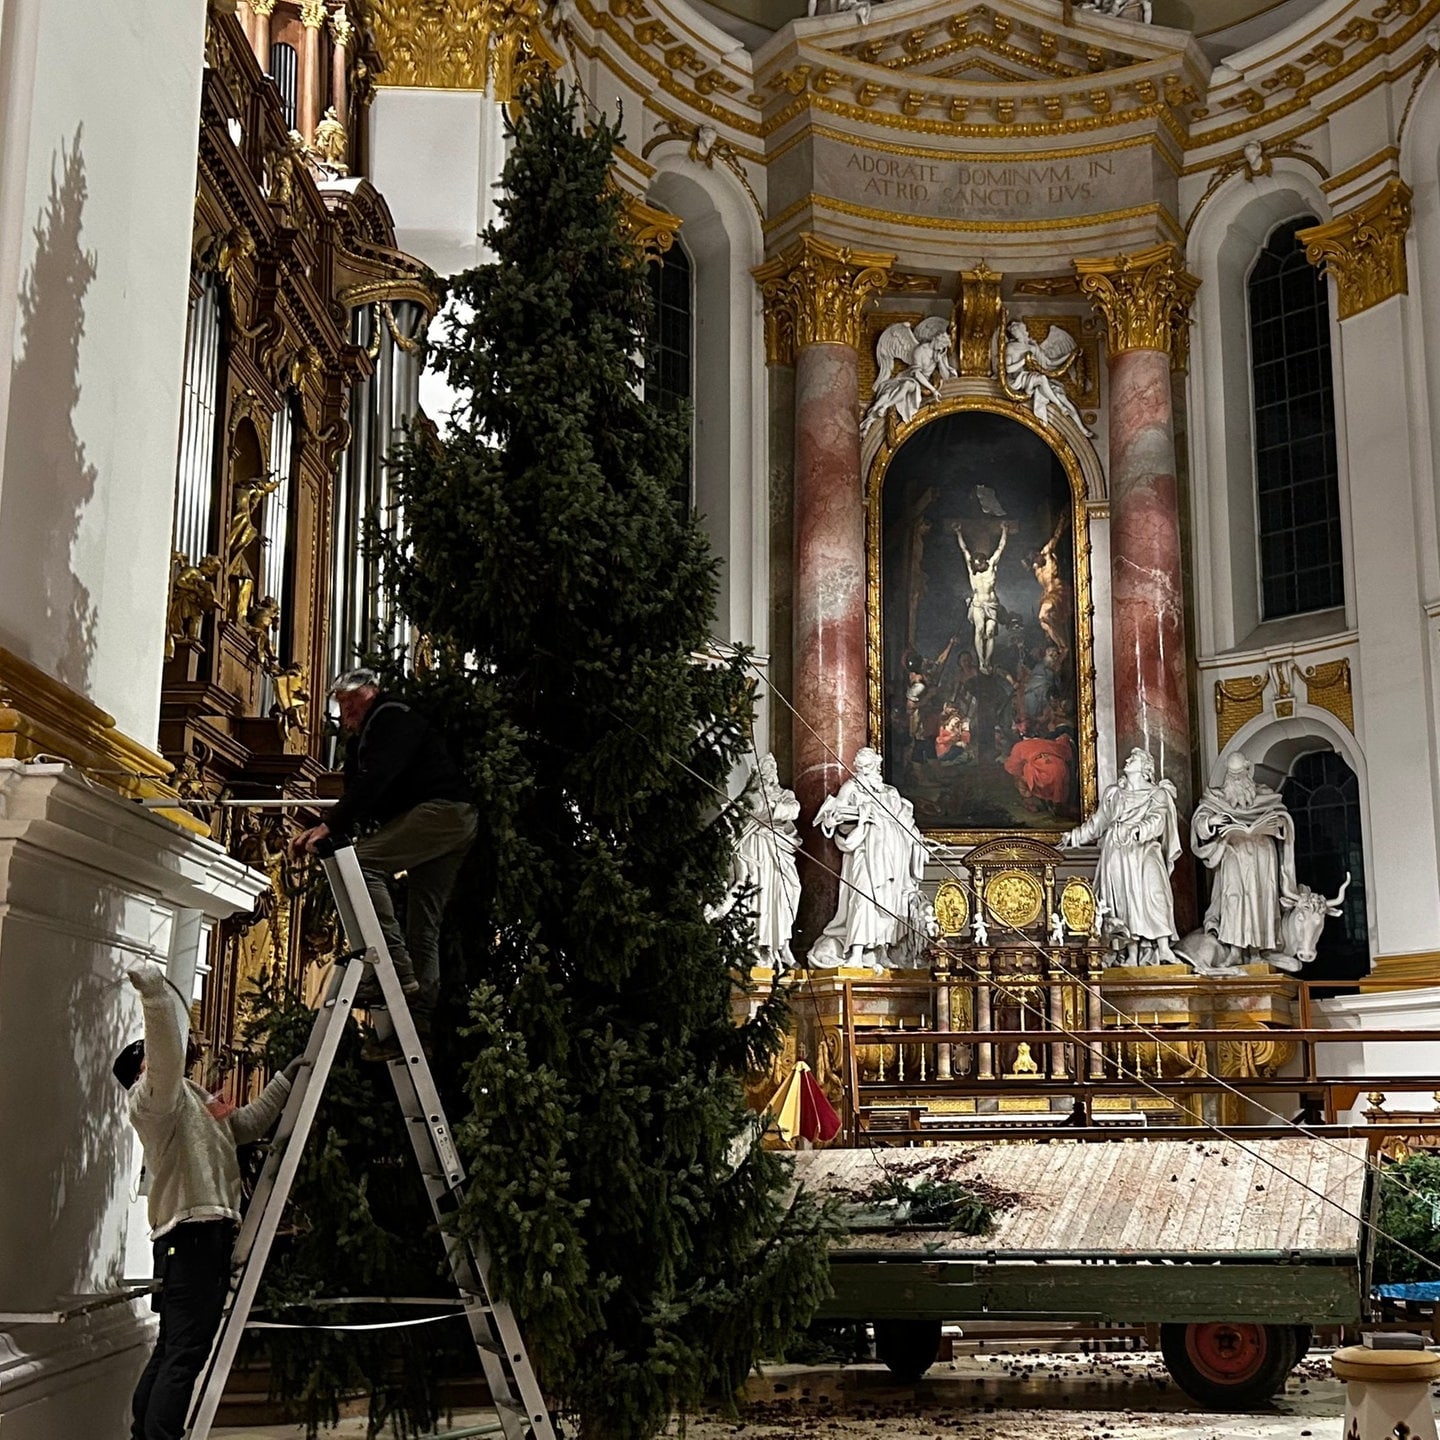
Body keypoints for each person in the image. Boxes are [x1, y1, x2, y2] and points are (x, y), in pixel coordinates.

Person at [115, 961, 298, 1440]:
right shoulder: (152, 1103)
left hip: (200, 1240)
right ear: (142, 1071)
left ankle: (144, 1435)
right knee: (184, 1354)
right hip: (190, 1238)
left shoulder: (193, 1100)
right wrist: (155, 997)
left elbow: (242, 1126)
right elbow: (167, 1060)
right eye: (151, 1060)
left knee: (173, 1349)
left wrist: (283, 1081)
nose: (165, 1061)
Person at [292, 668, 477, 1058]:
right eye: (340, 706)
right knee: (422, 922)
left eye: (350, 703)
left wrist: (331, 825)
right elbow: (367, 790)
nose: (345, 714)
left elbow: (377, 779)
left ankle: (394, 970)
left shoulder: (391, 716)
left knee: (359, 865)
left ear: (372, 692)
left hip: (440, 813)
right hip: (453, 819)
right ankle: (418, 1026)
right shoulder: (370, 733)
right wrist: (331, 826)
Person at [808, 747, 930, 973]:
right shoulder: (852, 788)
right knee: (862, 899)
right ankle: (856, 952)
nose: (863, 771)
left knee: (888, 904)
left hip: (893, 854)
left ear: (877, 765)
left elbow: (906, 822)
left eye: (867, 766)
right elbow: (835, 817)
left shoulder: (890, 793)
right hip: (865, 852)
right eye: (860, 767)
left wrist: (916, 841)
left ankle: (882, 951)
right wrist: (848, 817)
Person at [1060, 747, 1181, 965]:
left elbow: (1158, 819)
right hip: (1116, 851)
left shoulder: (1157, 793)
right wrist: (1075, 836)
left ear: (1145, 767)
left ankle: (1163, 946)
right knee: (1123, 902)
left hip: (1144, 851)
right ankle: (1131, 953)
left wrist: (1140, 829)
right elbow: (1098, 823)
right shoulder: (1114, 793)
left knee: (1156, 895)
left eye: (1133, 758)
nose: (1127, 759)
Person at [1190, 752, 1297, 964]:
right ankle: (1235, 951)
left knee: (1260, 899)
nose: (1236, 780)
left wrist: (1278, 824)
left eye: (1240, 775)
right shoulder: (1217, 797)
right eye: (1233, 775)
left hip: (1261, 854)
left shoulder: (1265, 795)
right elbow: (1199, 822)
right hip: (1233, 852)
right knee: (1234, 898)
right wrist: (1212, 820)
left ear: (1248, 771)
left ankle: (1257, 951)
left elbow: (1283, 820)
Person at [956, 522, 1009, 674]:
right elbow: (964, 549)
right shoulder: (972, 569)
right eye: (977, 564)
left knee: (990, 632)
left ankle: (987, 661)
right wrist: (959, 533)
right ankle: (981, 662)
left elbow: (1000, 548)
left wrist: (1004, 531)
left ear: (984, 562)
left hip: (992, 604)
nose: (979, 566)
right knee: (979, 630)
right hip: (978, 604)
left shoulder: (991, 565)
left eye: (980, 564)